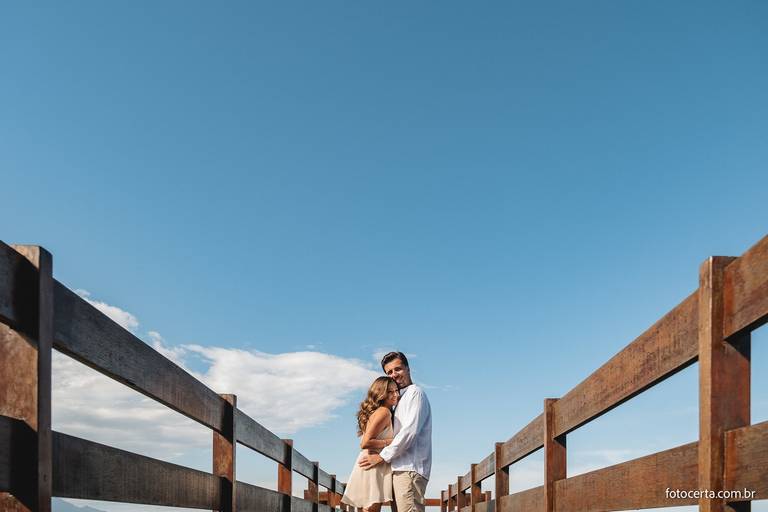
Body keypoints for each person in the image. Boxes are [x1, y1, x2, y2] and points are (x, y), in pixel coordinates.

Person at [359, 352, 432, 512]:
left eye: (397, 369)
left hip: (409, 468)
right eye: (389, 372)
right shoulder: (398, 399)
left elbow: (409, 433)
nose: (394, 375)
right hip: (398, 468)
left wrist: (381, 457)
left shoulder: (415, 393)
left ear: (407, 368)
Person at [341, 376, 399, 512]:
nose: (396, 394)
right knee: (370, 509)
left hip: (372, 462)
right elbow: (365, 442)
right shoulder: (384, 412)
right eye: (391, 392)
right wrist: (389, 442)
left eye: (396, 390)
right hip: (372, 464)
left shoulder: (383, 411)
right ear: (381, 393)